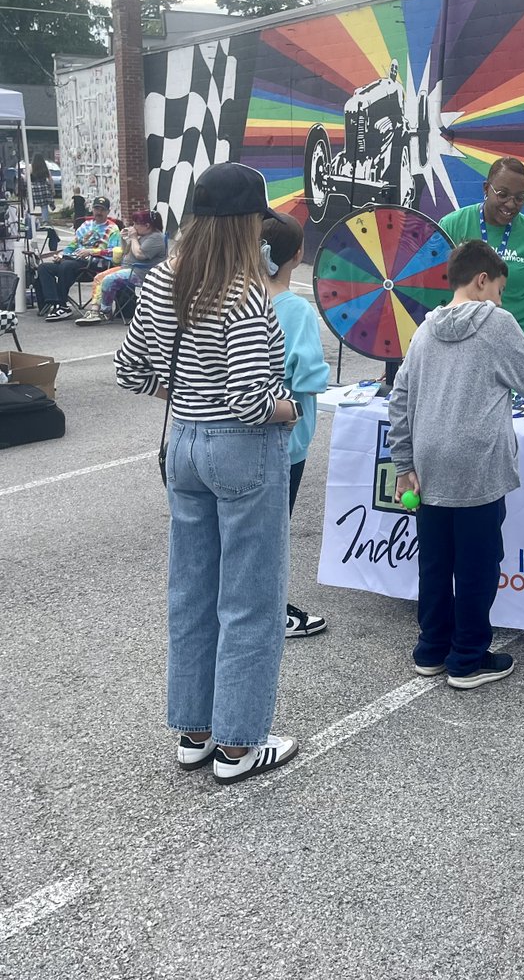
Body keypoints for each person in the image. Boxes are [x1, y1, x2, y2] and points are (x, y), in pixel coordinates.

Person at [114, 161, 302, 785]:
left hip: (185, 446)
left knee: (191, 592)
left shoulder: (164, 279)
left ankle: (194, 732)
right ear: (249, 223)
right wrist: (288, 407)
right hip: (241, 447)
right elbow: (251, 398)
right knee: (250, 597)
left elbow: (131, 371)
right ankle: (240, 744)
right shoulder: (245, 291)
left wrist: (188, 384)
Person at [387, 239, 524, 689]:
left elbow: (400, 397)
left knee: (435, 561)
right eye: (498, 290)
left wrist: (402, 464)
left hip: (429, 463)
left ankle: (431, 648)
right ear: (481, 281)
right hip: (478, 464)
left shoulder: (426, 327)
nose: (499, 300)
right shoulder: (497, 323)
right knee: (477, 562)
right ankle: (469, 657)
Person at [261, 211, 331, 639]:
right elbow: (307, 375)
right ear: (299, 254)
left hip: (242, 432)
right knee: (273, 532)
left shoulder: (242, 300)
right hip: (287, 440)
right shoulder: (298, 311)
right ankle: (271, 609)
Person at [438, 157, 524, 377]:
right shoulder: (452, 225)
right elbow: (424, 290)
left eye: (519, 198)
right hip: (461, 342)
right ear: (486, 188)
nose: (511, 204)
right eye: (502, 194)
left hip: (518, 344)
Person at [37, 195, 122, 321]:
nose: (99, 212)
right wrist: (61, 255)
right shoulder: (85, 226)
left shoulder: (113, 229)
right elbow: (72, 245)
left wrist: (92, 251)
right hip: (74, 259)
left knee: (66, 266)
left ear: (108, 211)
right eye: (96, 209)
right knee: (44, 267)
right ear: (92, 210)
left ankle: (62, 305)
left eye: (102, 210)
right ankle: (55, 303)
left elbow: (114, 252)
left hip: (94, 263)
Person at [76, 209, 167, 325]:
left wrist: (133, 238)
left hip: (142, 272)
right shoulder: (141, 235)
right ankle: (94, 312)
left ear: (147, 225)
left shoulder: (156, 237)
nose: (133, 227)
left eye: (136, 224)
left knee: (109, 280)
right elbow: (125, 251)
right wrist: (123, 239)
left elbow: (140, 255)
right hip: (128, 269)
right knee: (100, 277)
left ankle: (106, 312)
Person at [29, 155, 53, 228]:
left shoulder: (31, 167)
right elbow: (50, 179)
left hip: (34, 188)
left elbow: (27, 179)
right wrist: (52, 189)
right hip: (44, 187)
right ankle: (45, 221)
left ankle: (30, 219)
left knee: (31, 204)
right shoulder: (45, 168)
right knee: (44, 206)